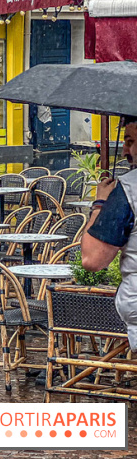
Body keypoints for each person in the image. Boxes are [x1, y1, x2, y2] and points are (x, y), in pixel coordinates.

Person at [82, 115, 137, 350]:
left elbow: (93, 259)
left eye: (131, 141)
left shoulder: (129, 189)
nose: (125, 149)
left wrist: (100, 204)